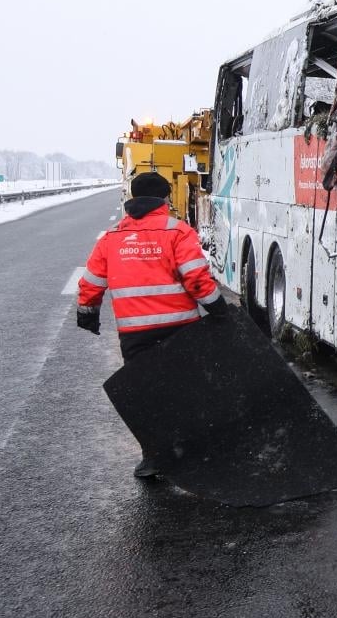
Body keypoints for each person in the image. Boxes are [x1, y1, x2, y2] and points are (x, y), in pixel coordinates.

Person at [76, 171, 229, 478]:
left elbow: (91, 281)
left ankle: (153, 456)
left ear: (133, 198)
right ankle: (192, 450)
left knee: (146, 395)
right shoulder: (178, 231)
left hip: (135, 334)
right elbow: (196, 279)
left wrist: (87, 313)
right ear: (164, 199)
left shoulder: (112, 237)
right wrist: (218, 308)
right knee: (185, 389)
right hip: (181, 329)